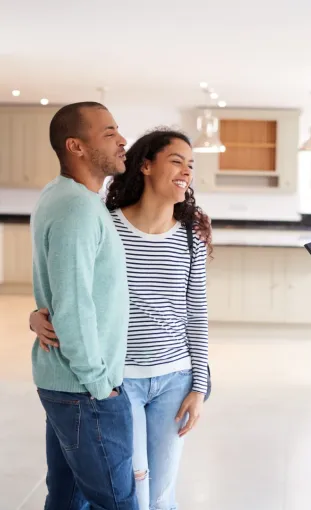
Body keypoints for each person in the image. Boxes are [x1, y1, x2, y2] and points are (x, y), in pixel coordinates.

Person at [31, 127, 211, 510]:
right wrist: (37, 314)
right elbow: (71, 286)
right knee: (134, 492)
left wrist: (200, 386)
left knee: (162, 495)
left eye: (190, 165)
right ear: (145, 166)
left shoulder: (192, 236)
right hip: (119, 380)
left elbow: (196, 312)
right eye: (176, 161)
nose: (186, 172)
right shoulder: (106, 223)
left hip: (174, 380)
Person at [30, 102, 138, 509]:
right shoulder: (76, 207)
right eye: (109, 132)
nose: (122, 139)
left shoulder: (66, 196)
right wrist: (100, 386)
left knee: (67, 498)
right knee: (117, 501)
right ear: (75, 145)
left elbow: (61, 287)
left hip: (68, 384)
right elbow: (73, 306)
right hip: (84, 388)